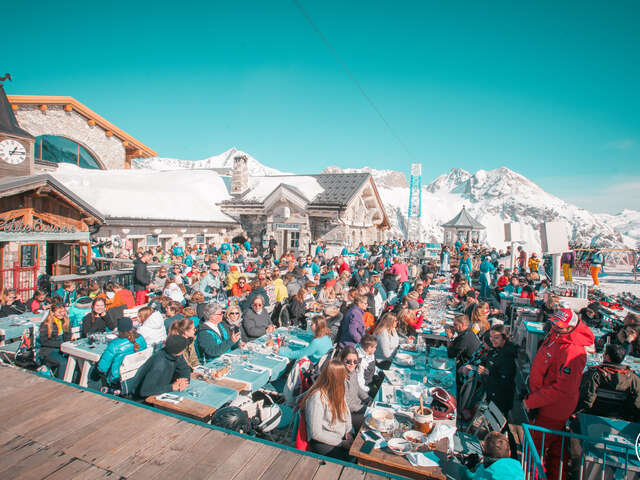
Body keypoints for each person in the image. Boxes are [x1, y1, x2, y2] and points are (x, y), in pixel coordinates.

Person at [524, 308, 594, 480]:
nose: (555, 327)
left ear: (572, 327)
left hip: (550, 410)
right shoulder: (557, 336)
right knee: (556, 450)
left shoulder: (573, 351)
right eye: (553, 323)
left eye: (559, 326)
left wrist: (532, 402)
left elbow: (563, 388)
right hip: (544, 404)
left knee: (535, 451)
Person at [300, 359, 353, 460]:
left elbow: (347, 414)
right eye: (343, 376)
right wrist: (341, 443)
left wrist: (349, 432)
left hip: (339, 437)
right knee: (350, 460)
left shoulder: (339, 390)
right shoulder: (317, 397)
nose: (345, 379)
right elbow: (316, 433)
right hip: (322, 441)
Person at [575, 343, 640, 422]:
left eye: (604, 354)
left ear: (607, 357)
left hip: (592, 418)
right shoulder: (633, 378)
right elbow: (637, 403)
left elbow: (586, 400)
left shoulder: (594, 374)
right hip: (621, 421)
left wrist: (574, 414)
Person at [95, 317, 147, 392]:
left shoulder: (115, 344)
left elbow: (102, 368)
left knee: (94, 370)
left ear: (119, 330)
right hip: (136, 374)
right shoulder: (141, 338)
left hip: (117, 379)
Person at [480, 325, 517, 417]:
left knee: (499, 422)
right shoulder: (497, 349)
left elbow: (506, 380)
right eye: (491, 337)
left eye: (496, 337)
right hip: (493, 394)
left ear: (504, 338)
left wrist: (489, 372)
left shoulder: (508, 356)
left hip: (501, 399)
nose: (492, 340)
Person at [446, 314, 481, 391]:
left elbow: (451, 354)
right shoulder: (467, 332)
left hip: (469, 369)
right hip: (468, 362)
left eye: (455, 325)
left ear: (462, 325)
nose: (453, 327)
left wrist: (450, 338)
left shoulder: (465, 337)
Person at [340, 346, 370, 432]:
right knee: (370, 423)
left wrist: (368, 399)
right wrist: (365, 409)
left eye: (355, 361)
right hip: (349, 414)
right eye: (348, 361)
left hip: (359, 407)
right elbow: (347, 405)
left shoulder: (353, 372)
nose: (352, 364)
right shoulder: (340, 378)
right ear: (342, 360)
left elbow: (358, 389)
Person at [38, 302, 71, 379]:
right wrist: (60, 344)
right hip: (48, 350)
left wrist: (67, 343)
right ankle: (61, 382)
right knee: (63, 362)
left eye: (63, 311)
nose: (61, 314)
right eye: (59, 312)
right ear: (53, 313)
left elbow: (68, 336)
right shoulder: (47, 324)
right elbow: (43, 341)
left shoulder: (65, 321)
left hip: (62, 348)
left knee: (74, 359)